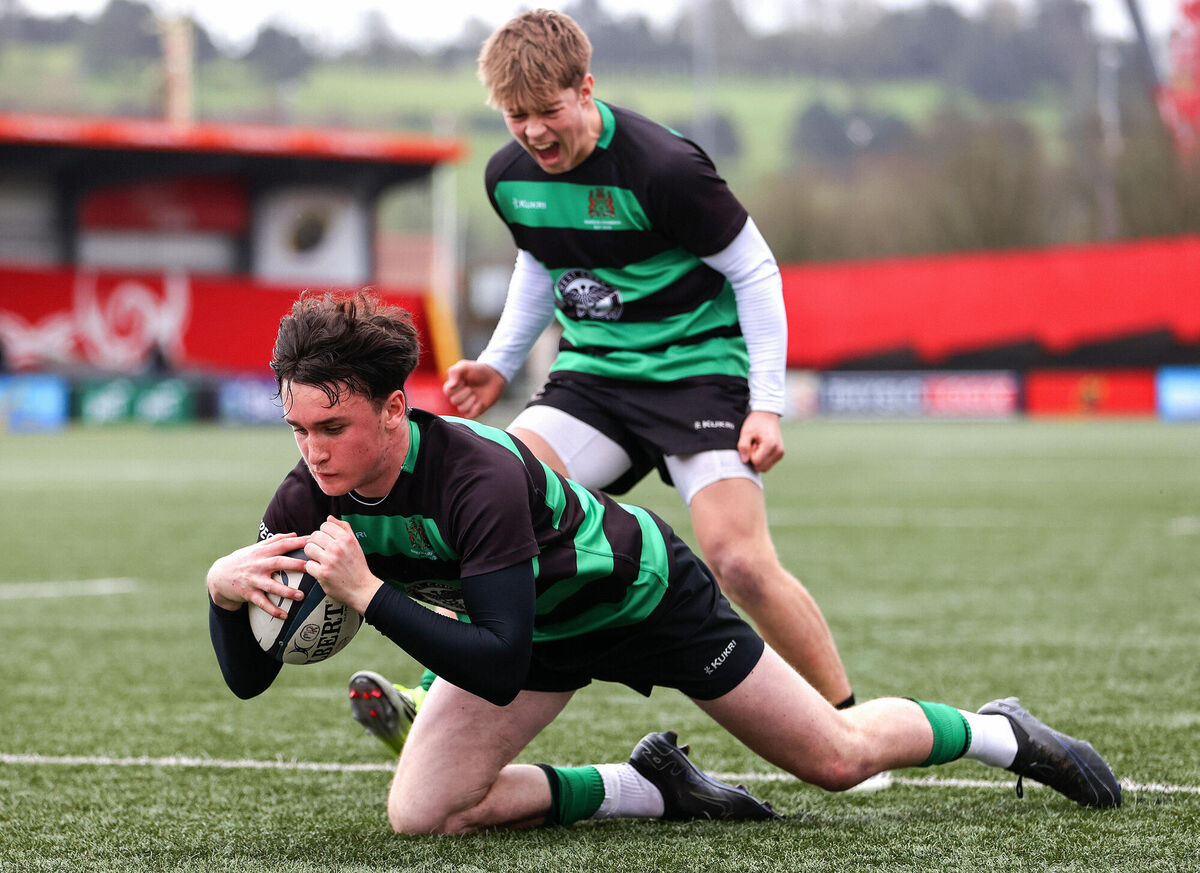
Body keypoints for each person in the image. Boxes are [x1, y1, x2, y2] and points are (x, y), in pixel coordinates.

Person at [206, 292, 1121, 836]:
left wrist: (367, 593)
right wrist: (222, 595)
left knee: (837, 759)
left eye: (333, 426)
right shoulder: (304, 498)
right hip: (538, 633)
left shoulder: (475, 474)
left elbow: (497, 661)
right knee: (425, 814)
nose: (314, 450)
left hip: (642, 596)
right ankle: (647, 786)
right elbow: (249, 680)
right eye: (298, 428)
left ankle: (1000, 731)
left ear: (395, 409)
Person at [443, 9, 852, 714]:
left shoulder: (665, 168)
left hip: (698, 375)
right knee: (488, 509)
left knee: (739, 563)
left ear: (586, 88)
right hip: (593, 380)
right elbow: (540, 260)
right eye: (515, 116)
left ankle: (849, 727)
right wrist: (498, 363)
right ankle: (431, 698)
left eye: (548, 111)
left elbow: (755, 272)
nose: (533, 132)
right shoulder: (507, 176)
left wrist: (766, 404)